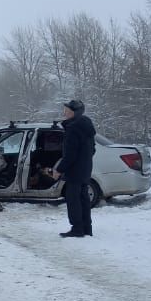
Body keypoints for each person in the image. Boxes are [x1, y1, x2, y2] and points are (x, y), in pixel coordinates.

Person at [53, 99, 95, 238]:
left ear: (74, 112)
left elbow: (70, 154)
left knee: (73, 201)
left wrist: (59, 169)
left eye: (67, 111)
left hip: (75, 172)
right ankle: (86, 228)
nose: (64, 113)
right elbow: (92, 149)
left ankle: (77, 229)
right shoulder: (86, 125)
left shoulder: (72, 128)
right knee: (83, 199)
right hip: (85, 169)